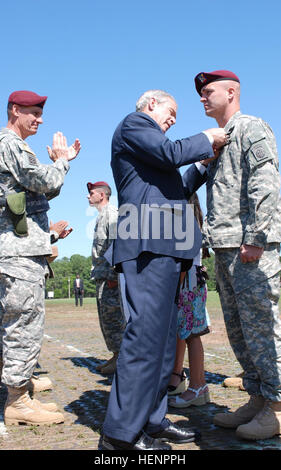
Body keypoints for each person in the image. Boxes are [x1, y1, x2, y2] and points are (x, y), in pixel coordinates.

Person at [99, 89, 227, 450]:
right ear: (151, 104)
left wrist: (202, 165)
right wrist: (207, 139)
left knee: (164, 344)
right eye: (170, 112)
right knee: (144, 340)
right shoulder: (135, 124)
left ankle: (152, 421)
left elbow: (178, 187)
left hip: (167, 247)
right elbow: (171, 152)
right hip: (146, 244)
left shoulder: (154, 155)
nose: (173, 120)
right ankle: (120, 435)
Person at [194, 69, 281, 440]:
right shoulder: (219, 138)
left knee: (263, 327)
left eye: (208, 91)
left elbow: (266, 183)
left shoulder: (251, 127)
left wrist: (257, 238)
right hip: (225, 248)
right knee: (241, 331)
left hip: (250, 248)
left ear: (231, 92)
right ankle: (259, 397)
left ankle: (277, 407)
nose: (202, 97)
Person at [0, 90, 80, 426]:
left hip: (22, 249)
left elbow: (41, 188)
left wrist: (55, 169)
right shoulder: (11, 143)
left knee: (18, 323)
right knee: (23, 324)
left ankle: (21, 393)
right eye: (33, 113)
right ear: (15, 110)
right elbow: (42, 179)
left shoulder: (14, 145)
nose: (40, 119)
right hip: (17, 253)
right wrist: (62, 161)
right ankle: (17, 401)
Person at [168, 193, 211, 408]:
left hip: (187, 281)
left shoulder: (186, 223)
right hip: (192, 279)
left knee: (192, 335)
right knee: (187, 333)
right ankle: (195, 385)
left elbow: (184, 258)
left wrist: (175, 286)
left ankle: (197, 387)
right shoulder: (193, 220)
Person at [88, 181, 126, 375]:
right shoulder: (102, 215)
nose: (88, 196)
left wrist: (113, 274)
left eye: (91, 193)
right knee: (106, 319)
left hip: (109, 277)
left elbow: (116, 245)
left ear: (102, 195)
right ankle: (115, 355)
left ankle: (121, 358)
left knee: (113, 319)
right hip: (101, 275)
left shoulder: (111, 214)